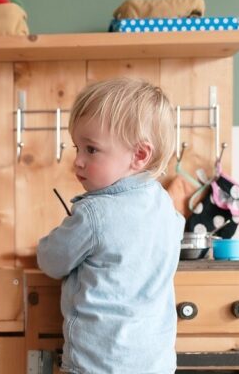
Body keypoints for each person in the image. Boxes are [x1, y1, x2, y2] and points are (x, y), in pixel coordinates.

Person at [36, 77, 183, 373]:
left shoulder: (94, 213)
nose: (77, 161)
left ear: (140, 155)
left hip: (96, 365)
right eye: (77, 147)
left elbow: (52, 261)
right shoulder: (164, 204)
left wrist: (46, 242)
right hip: (155, 364)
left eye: (91, 150)